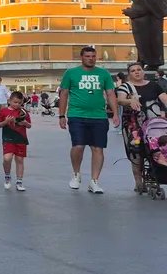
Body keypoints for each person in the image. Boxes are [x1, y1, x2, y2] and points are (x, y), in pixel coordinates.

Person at [58, 45, 119, 194]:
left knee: (98, 148)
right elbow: (64, 94)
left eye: (93, 56)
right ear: (82, 57)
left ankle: (94, 181)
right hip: (76, 115)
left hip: (99, 116)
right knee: (78, 146)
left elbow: (110, 94)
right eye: (87, 56)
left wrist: (116, 114)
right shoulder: (71, 73)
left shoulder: (103, 73)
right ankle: (76, 174)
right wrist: (61, 115)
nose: (91, 59)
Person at [116, 62, 167, 194]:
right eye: (133, 71)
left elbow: (164, 99)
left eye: (139, 69)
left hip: (154, 124)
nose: (137, 72)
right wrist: (130, 101)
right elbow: (120, 100)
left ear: (143, 72)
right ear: (129, 74)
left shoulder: (154, 85)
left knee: (157, 147)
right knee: (136, 152)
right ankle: (138, 182)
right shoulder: (126, 87)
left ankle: (156, 173)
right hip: (134, 124)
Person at [0, 90, 31, 191]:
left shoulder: (23, 112)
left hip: (21, 138)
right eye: (15, 102)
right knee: (7, 158)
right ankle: (7, 176)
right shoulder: (3, 111)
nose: (17, 104)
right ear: (9, 100)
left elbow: (29, 125)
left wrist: (24, 123)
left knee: (20, 160)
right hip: (8, 138)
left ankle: (19, 182)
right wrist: (6, 122)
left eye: (19, 103)